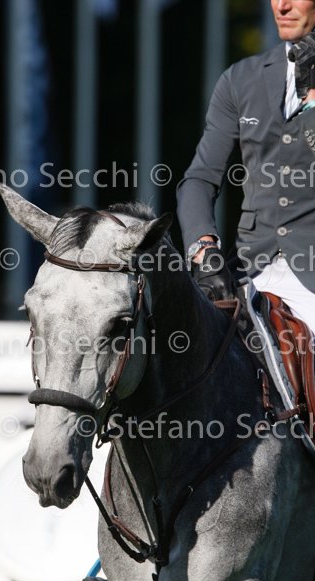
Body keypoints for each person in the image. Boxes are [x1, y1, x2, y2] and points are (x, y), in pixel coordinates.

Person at [177, 0, 315, 335]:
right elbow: (200, 178)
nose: (282, 6)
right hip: (248, 268)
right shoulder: (240, 79)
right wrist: (203, 247)